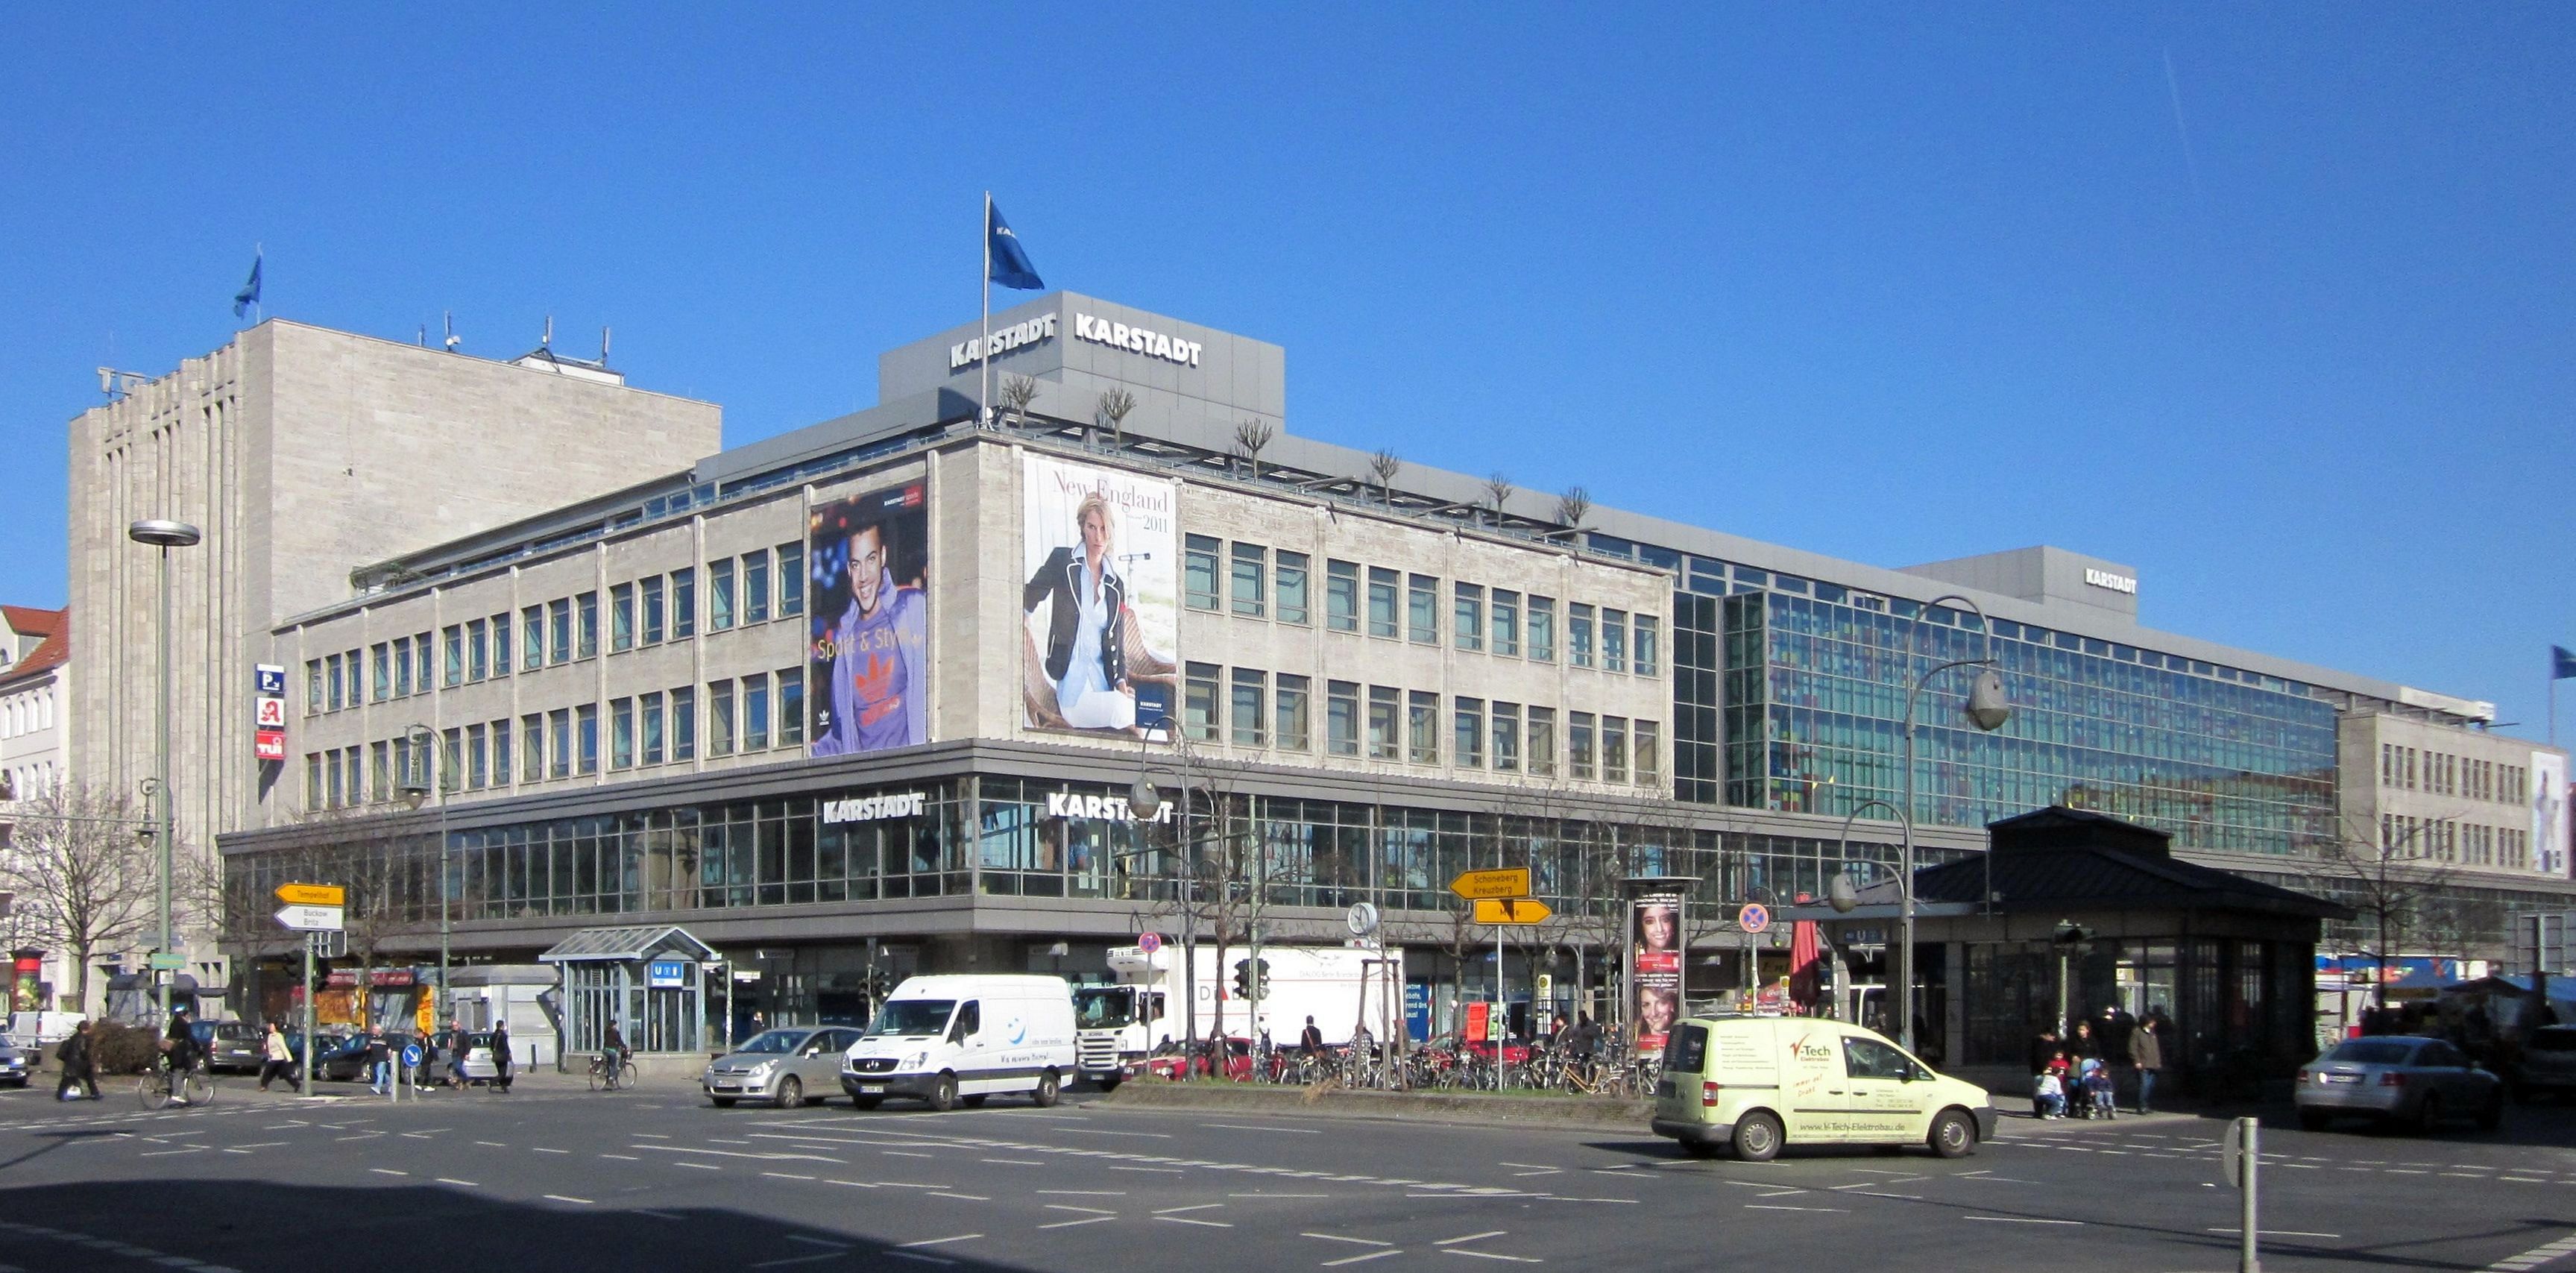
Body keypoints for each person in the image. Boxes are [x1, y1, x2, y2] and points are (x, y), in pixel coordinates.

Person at [1023, 491, 1141, 733]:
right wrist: (1023, 617)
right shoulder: (1063, 562)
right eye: (1092, 527)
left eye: (1103, 529)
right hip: (1073, 692)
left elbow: (1116, 643)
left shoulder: (1115, 585)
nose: (1098, 536)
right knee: (1137, 715)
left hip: (1104, 687)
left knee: (1145, 713)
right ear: (1082, 527)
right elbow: (1030, 595)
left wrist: (1120, 682)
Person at [813, 518, 928, 755]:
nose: (863, 576)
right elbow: (841, 732)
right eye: (856, 565)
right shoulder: (844, 638)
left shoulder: (915, 607)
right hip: (864, 781)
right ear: (848, 570)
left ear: (883, 557)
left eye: (871, 560)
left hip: (915, 772)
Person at [2127, 1008, 2164, 1114]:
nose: (2154, 1023)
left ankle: (2147, 1104)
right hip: (2143, 1063)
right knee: (2144, 1085)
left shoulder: (2152, 1033)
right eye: (2152, 1021)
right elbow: (2132, 1048)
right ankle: (2141, 1106)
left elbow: (2156, 1048)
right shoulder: (2137, 1032)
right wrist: (2136, 1061)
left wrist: (2158, 1062)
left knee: (2151, 1086)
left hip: (2153, 1063)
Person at [163, 1009, 201, 1105]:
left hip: (171, 1050)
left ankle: (171, 1087)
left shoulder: (174, 1022)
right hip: (178, 1051)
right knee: (179, 1070)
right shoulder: (184, 1024)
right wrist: (198, 1048)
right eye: (188, 1015)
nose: (189, 1017)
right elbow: (191, 1038)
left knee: (174, 1069)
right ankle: (176, 1094)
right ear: (185, 1015)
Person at [55, 1021, 97, 1101]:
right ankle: (95, 1094)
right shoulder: (83, 1038)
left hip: (71, 1062)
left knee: (66, 1080)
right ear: (86, 1029)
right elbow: (83, 1050)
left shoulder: (73, 1037)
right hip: (80, 1063)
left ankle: (60, 1095)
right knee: (89, 1079)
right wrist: (89, 1058)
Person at [258, 1019, 299, 1093]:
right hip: (273, 1057)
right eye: (270, 1026)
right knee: (284, 1074)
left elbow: (283, 1048)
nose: (270, 1027)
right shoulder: (270, 1036)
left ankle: (263, 1085)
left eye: (271, 1026)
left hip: (278, 1058)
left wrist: (290, 1059)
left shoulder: (279, 1036)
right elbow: (268, 1047)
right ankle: (296, 1085)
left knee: (267, 1072)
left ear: (276, 1028)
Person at [490, 1020, 514, 1093]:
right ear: (502, 1026)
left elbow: (491, 1045)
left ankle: (504, 1088)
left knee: (500, 1072)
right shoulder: (503, 1035)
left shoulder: (494, 1035)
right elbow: (505, 1045)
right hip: (502, 1056)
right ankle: (492, 1082)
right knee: (503, 1073)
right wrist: (509, 1053)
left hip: (496, 1055)